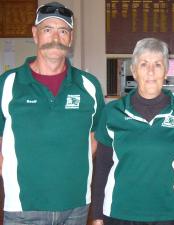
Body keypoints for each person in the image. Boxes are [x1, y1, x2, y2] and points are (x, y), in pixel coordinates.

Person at [0, 2, 105, 224]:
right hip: (23, 209)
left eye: (63, 30)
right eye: (48, 29)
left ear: (71, 37)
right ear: (35, 34)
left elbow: (94, 139)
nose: (55, 37)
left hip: (76, 206)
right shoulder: (7, 84)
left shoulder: (89, 85)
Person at [91, 38, 174, 225]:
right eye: (144, 64)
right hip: (119, 212)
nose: (151, 71)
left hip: (170, 213)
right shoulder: (113, 111)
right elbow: (103, 166)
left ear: (166, 71)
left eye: (158, 64)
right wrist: (97, 215)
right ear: (134, 71)